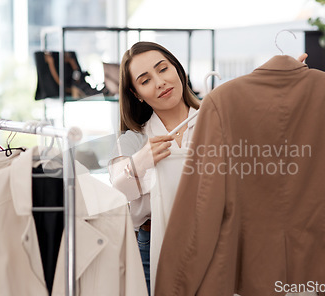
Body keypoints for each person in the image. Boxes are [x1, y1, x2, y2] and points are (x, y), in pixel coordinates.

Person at [108, 41, 308, 295]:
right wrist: (140, 161)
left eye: (163, 69)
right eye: (145, 80)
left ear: (178, 71)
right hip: (154, 245)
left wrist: (287, 87)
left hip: (215, 239)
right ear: (136, 93)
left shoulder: (219, 123)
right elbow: (116, 190)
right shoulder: (134, 139)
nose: (160, 82)